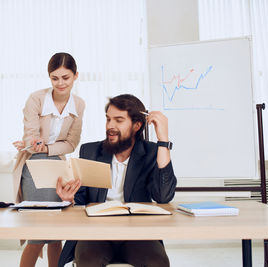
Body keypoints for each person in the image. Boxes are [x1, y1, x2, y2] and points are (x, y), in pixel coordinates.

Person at [55, 94, 177, 267]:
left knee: (157, 262)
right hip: (97, 233)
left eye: (119, 120)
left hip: (138, 234)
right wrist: (70, 199)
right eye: (108, 119)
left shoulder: (151, 152)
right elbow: (81, 199)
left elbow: (163, 196)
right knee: (88, 261)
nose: (110, 126)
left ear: (137, 126)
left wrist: (163, 141)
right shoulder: (90, 151)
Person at [12, 52, 85, 267]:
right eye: (55, 78)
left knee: (55, 236)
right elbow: (30, 134)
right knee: (35, 235)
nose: (60, 83)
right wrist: (35, 143)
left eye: (65, 77)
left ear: (75, 76)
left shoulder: (79, 105)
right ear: (49, 78)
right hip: (34, 164)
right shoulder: (36, 99)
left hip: (58, 166)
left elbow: (72, 143)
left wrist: (48, 147)